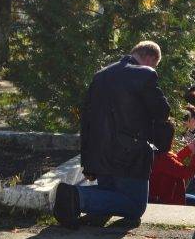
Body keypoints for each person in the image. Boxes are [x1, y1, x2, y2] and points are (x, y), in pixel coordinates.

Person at [54, 41, 170, 229]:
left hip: (100, 152)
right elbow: (162, 112)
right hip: (130, 154)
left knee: (109, 191)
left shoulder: (101, 75)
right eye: (155, 65)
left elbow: (87, 120)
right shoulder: (145, 74)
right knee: (135, 207)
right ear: (150, 58)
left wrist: (88, 159)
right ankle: (79, 196)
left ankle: (85, 201)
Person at [149, 119, 195, 207]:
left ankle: (192, 196)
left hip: (168, 194)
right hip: (168, 201)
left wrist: (189, 148)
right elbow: (188, 174)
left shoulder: (155, 150)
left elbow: (174, 161)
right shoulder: (163, 158)